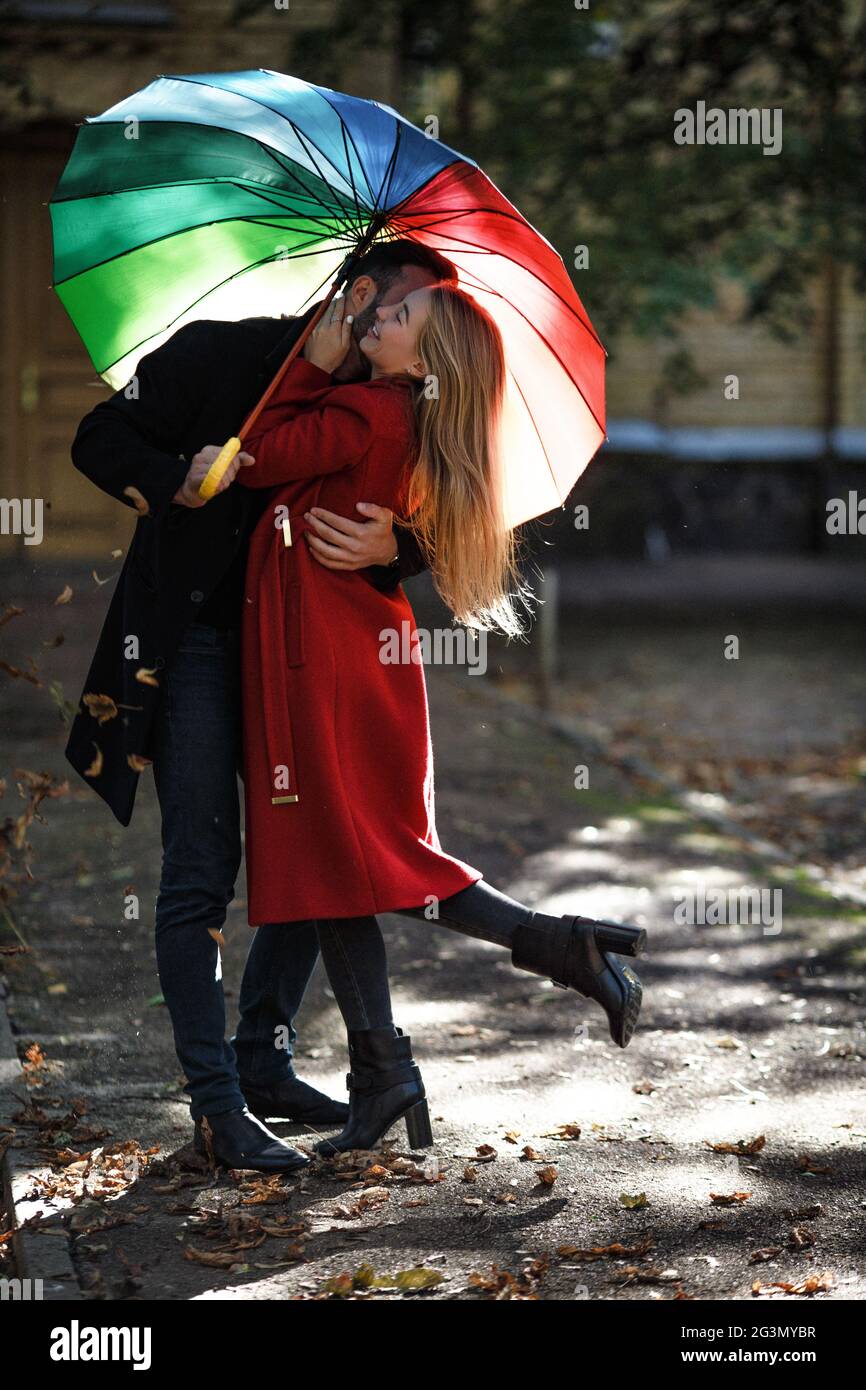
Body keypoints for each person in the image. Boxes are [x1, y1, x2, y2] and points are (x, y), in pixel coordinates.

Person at [65, 241, 460, 1173]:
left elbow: (430, 513)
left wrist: (394, 547)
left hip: (300, 657)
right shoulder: (214, 355)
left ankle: (265, 1056)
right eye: (409, 306)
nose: (420, 329)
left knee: (316, 848)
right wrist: (174, 480)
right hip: (198, 649)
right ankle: (217, 1107)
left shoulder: (382, 402)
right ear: (359, 296)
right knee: (202, 865)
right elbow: (96, 438)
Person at [235, 283, 646, 1159]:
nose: (375, 315)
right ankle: (368, 1065)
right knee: (336, 857)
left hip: (326, 660)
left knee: (354, 860)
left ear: (424, 359)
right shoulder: (404, 415)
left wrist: (308, 366)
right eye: (380, 306)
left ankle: (513, 980)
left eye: (396, 316)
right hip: (349, 650)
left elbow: (256, 452)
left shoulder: (360, 407)